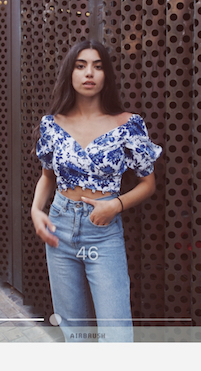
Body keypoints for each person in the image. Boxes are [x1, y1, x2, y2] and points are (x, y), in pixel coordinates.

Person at [31, 39, 162, 342]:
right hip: (59, 227)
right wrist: (36, 211)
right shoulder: (52, 124)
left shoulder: (128, 124)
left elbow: (148, 184)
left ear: (106, 76)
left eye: (97, 66)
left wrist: (115, 205)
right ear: (70, 73)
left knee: (117, 337)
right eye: (81, 66)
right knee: (75, 334)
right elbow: (47, 176)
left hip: (102, 231)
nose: (89, 73)